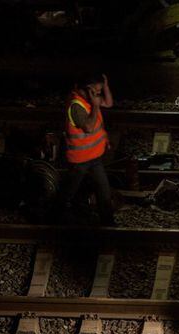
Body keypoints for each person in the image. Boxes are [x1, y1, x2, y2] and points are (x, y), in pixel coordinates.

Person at [60, 72, 115, 225]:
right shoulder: (76, 106)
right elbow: (89, 128)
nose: (98, 95)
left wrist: (106, 86)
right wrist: (96, 106)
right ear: (86, 89)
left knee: (104, 191)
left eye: (99, 92)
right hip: (79, 160)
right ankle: (56, 219)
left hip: (94, 158)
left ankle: (108, 223)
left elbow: (109, 103)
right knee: (68, 193)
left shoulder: (88, 99)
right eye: (96, 92)